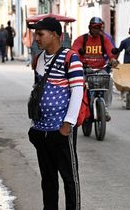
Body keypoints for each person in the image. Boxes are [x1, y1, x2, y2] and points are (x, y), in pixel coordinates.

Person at [27, 17, 84, 210]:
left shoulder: (70, 58)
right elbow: (37, 89)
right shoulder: (39, 59)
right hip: (41, 129)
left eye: (40, 34)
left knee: (69, 178)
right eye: (36, 34)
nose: (36, 38)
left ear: (54, 35)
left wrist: (68, 123)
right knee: (48, 178)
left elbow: (77, 90)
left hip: (61, 129)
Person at [72, 17, 118, 121]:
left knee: (109, 80)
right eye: (94, 27)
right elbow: (74, 50)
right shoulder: (82, 39)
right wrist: (77, 57)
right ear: (90, 27)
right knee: (79, 85)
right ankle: (79, 108)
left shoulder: (103, 39)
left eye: (99, 28)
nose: (97, 30)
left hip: (100, 69)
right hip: (85, 69)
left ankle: (105, 107)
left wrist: (113, 59)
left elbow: (111, 51)